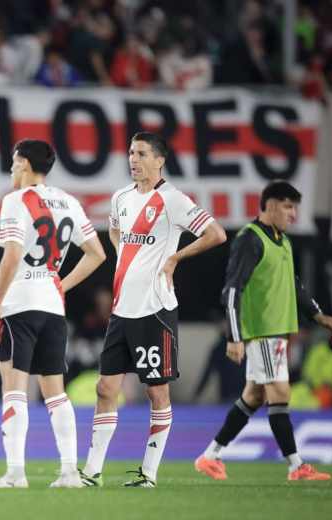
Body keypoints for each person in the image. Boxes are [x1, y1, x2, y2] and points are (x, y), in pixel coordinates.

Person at [81, 132, 227, 488]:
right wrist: (126, 265)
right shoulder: (120, 198)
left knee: (156, 392)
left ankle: (148, 474)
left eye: (141, 153)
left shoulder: (174, 200)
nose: (133, 159)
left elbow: (216, 234)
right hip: (121, 310)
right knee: (104, 388)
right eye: (131, 153)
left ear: (159, 160)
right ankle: (92, 472)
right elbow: (115, 233)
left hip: (155, 310)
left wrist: (176, 256)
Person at [193, 181, 332, 482]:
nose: (293, 214)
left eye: (295, 207)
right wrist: (234, 337)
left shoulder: (282, 241)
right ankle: (296, 466)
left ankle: (210, 456)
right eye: (288, 206)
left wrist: (319, 316)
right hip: (262, 332)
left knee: (254, 396)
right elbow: (232, 290)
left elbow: (294, 284)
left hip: (277, 333)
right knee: (280, 392)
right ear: (270, 205)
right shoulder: (250, 239)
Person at [0, 139, 106, 489]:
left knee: (14, 389)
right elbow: (96, 254)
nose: (11, 169)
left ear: (23, 163)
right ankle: (69, 472)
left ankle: (15, 474)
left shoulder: (15, 200)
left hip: (19, 304)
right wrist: (60, 286)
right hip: (53, 308)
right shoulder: (69, 201)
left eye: (12, 162)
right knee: (56, 392)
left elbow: (11, 255)